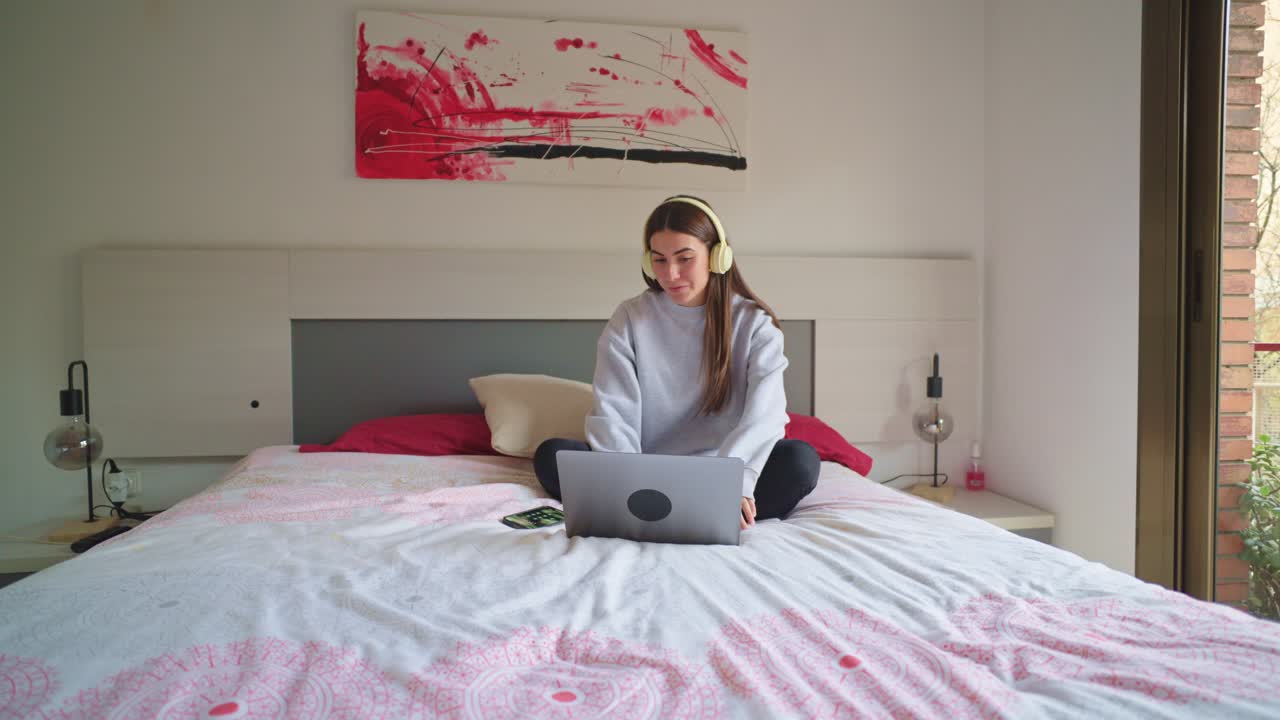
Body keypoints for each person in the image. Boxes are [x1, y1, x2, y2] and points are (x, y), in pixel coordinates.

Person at [534, 195, 819, 529]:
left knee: (800, 461)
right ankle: (676, 511)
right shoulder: (630, 318)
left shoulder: (754, 324)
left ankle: (678, 511)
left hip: (722, 474)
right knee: (553, 454)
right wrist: (631, 481)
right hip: (641, 472)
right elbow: (613, 413)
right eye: (659, 260)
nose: (670, 273)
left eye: (684, 258)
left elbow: (765, 414)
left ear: (718, 256)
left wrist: (733, 482)